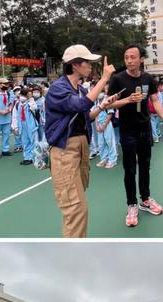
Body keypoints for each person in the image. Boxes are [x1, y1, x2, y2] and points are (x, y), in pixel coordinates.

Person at [44, 44, 117, 238]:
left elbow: (86, 115)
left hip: (81, 147)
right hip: (65, 150)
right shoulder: (58, 88)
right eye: (88, 62)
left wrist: (102, 106)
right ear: (75, 65)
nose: (91, 66)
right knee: (76, 210)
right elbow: (81, 105)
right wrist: (104, 79)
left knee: (76, 205)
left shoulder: (79, 89)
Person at [107, 44, 163, 228]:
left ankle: (145, 199)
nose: (129, 60)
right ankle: (132, 205)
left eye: (132, 57)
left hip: (145, 129)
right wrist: (127, 100)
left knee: (145, 165)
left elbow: (155, 101)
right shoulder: (117, 79)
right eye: (126, 57)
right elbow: (108, 105)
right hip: (127, 130)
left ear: (141, 59)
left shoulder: (148, 79)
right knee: (130, 169)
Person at [12, 87, 39, 166]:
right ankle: (27, 158)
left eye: (26, 95)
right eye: (22, 95)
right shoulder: (17, 104)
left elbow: (34, 108)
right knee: (25, 142)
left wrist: (30, 99)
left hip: (31, 124)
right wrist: (15, 127)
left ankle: (36, 158)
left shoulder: (31, 102)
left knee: (34, 141)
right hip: (22, 125)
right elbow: (15, 116)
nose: (23, 97)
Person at [95, 91, 118, 169]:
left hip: (107, 125)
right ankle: (104, 159)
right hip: (99, 125)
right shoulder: (96, 104)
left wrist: (104, 125)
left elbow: (110, 115)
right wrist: (97, 125)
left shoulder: (108, 103)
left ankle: (112, 160)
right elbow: (95, 115)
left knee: (110, 142)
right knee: (101, 143)